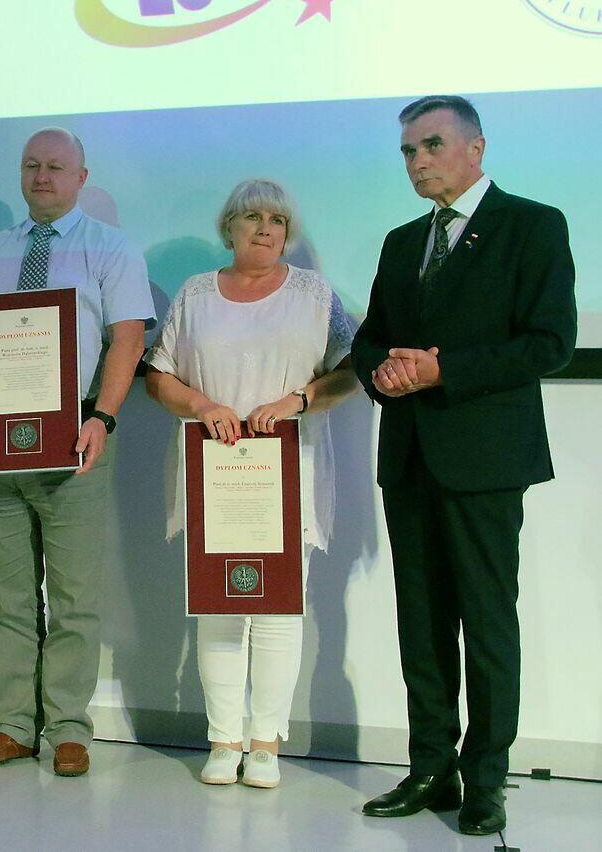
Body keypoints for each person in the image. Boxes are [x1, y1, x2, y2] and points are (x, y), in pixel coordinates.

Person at [354, 96, 576, 835]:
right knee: (420, 624)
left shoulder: (532, 225)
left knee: (485, 623)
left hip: (485, 459)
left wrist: (441, 370)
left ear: (476, 149)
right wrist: (384, 371)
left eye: (431, 146)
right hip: (410, 456)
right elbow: (371, 338)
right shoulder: (401, 241)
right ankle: (430, 769)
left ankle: (486, 779)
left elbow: (550, 342)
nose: (417, 162)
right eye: (408, 151)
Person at [0, 128, 154, 777]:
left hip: (74, 438)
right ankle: (14, 725)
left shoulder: (110, 248)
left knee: (74, 598)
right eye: (32, 165)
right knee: (7, 599)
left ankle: (67, 728)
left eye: (56, 166)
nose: (42, 176)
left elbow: (128, 338)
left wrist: (103, 418)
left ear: (81, 177)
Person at [145, 179, 358, 788]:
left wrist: (298, 400)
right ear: (229, 227)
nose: (266, 228)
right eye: (253, 217)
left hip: (289, 471)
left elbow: (350, 370)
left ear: (288, 233)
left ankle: (264, 744)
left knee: (278, 610)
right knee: (217, 606)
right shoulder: (195, 294)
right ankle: (223, 740)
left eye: (277, 220)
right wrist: (201, 404)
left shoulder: (315, 294)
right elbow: (158, 375)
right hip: (214, 472)